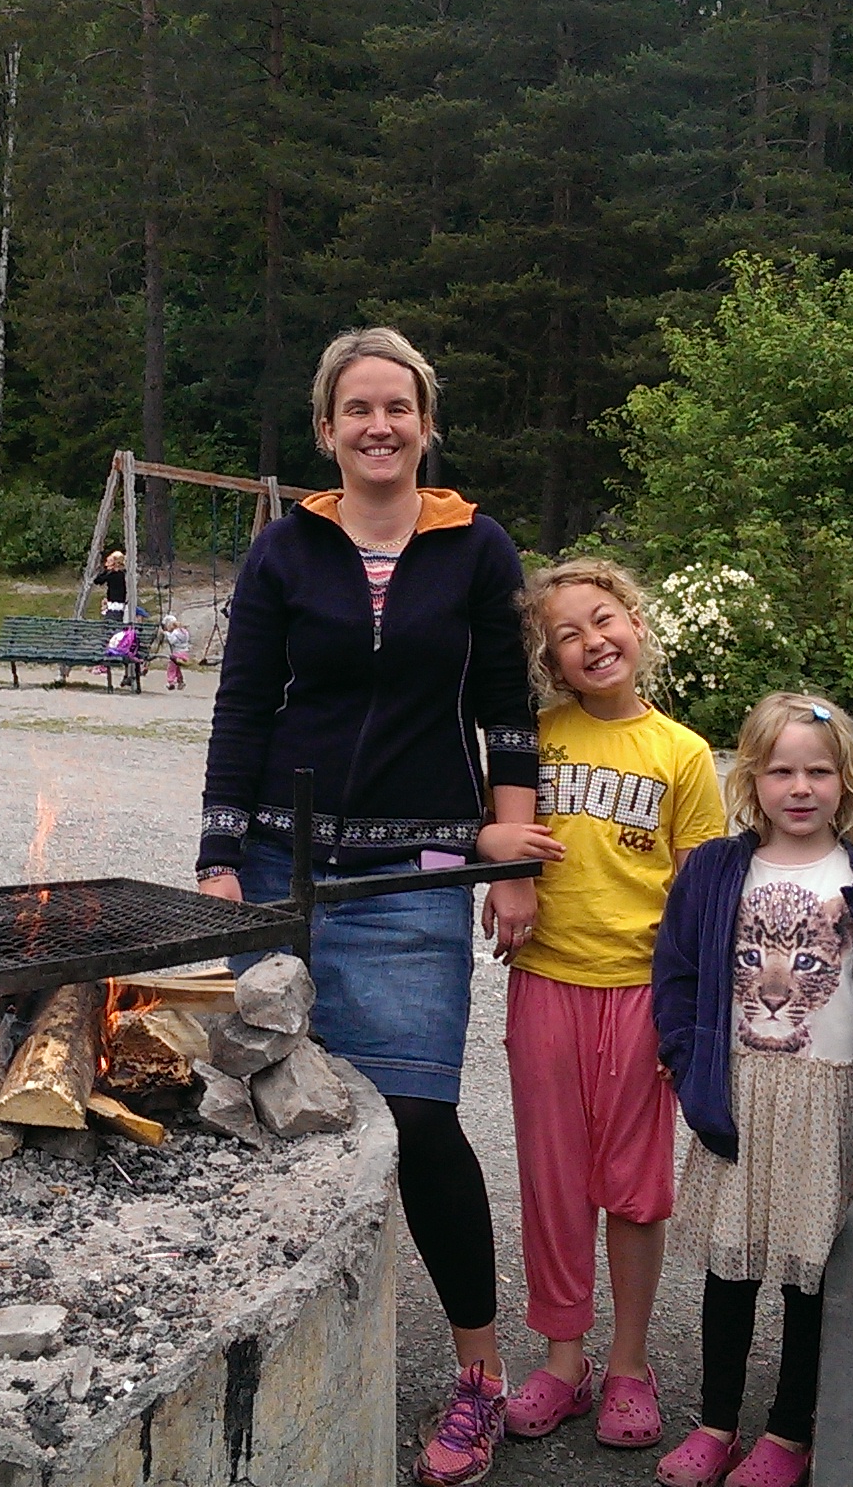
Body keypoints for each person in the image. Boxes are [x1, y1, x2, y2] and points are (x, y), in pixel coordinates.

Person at [197, 326, 539, 1487]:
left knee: (422, 1118)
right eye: (358, 408)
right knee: (267, 1106)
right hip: (280, 865)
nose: (379, 425)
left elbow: (507, 706)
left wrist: (512, 853)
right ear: (327, 428)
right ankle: (269, 1344)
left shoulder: (477, 545)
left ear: (425, 422)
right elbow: (243, 704)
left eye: (399, 406)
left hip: (413, 874)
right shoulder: (285, 547)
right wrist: (218, 857)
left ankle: (479, 1373)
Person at [649, 693, 853, 1487]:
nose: (800, 788)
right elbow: (676, 972)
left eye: (819, 772)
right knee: (729, 1267)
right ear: (751, 779)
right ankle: (716, 1423)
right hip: (739, 1092)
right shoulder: (716, 871)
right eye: (780, 772)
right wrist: (684, 1057)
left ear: (846, 781)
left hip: (828, 1097)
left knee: (810, 1272)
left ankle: (790, 1431)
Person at [486, 557, 724, 1451]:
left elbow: (701, 894)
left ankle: (629, 1362)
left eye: (603, 619)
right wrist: (494, 848)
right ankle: (564, 1360)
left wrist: (689, 1014)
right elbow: (486, 833)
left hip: (640, 996)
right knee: (553, 1181)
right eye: (567, 635)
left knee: (632, 1186)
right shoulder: (533, 741)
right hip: (547, 982)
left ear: (636, 623)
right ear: (549, 660)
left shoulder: (681, 752)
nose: (592, 641)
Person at [96, 550, 129, 622]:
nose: (106, 564)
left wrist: (106, 570)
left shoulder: (115, 575)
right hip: (117, 604)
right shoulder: (122, 574)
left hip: (116, 606)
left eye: (109, 562)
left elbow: (98, 580)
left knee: (110, 623)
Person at [161, 614, 192, 690]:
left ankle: (171, 682)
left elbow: (172, 641)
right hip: (185, 653)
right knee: (176, 666)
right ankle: (180, 681)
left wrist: (166, 634)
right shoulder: (184, 631)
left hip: (177, 653)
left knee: (171, 667)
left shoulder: (175, 632)